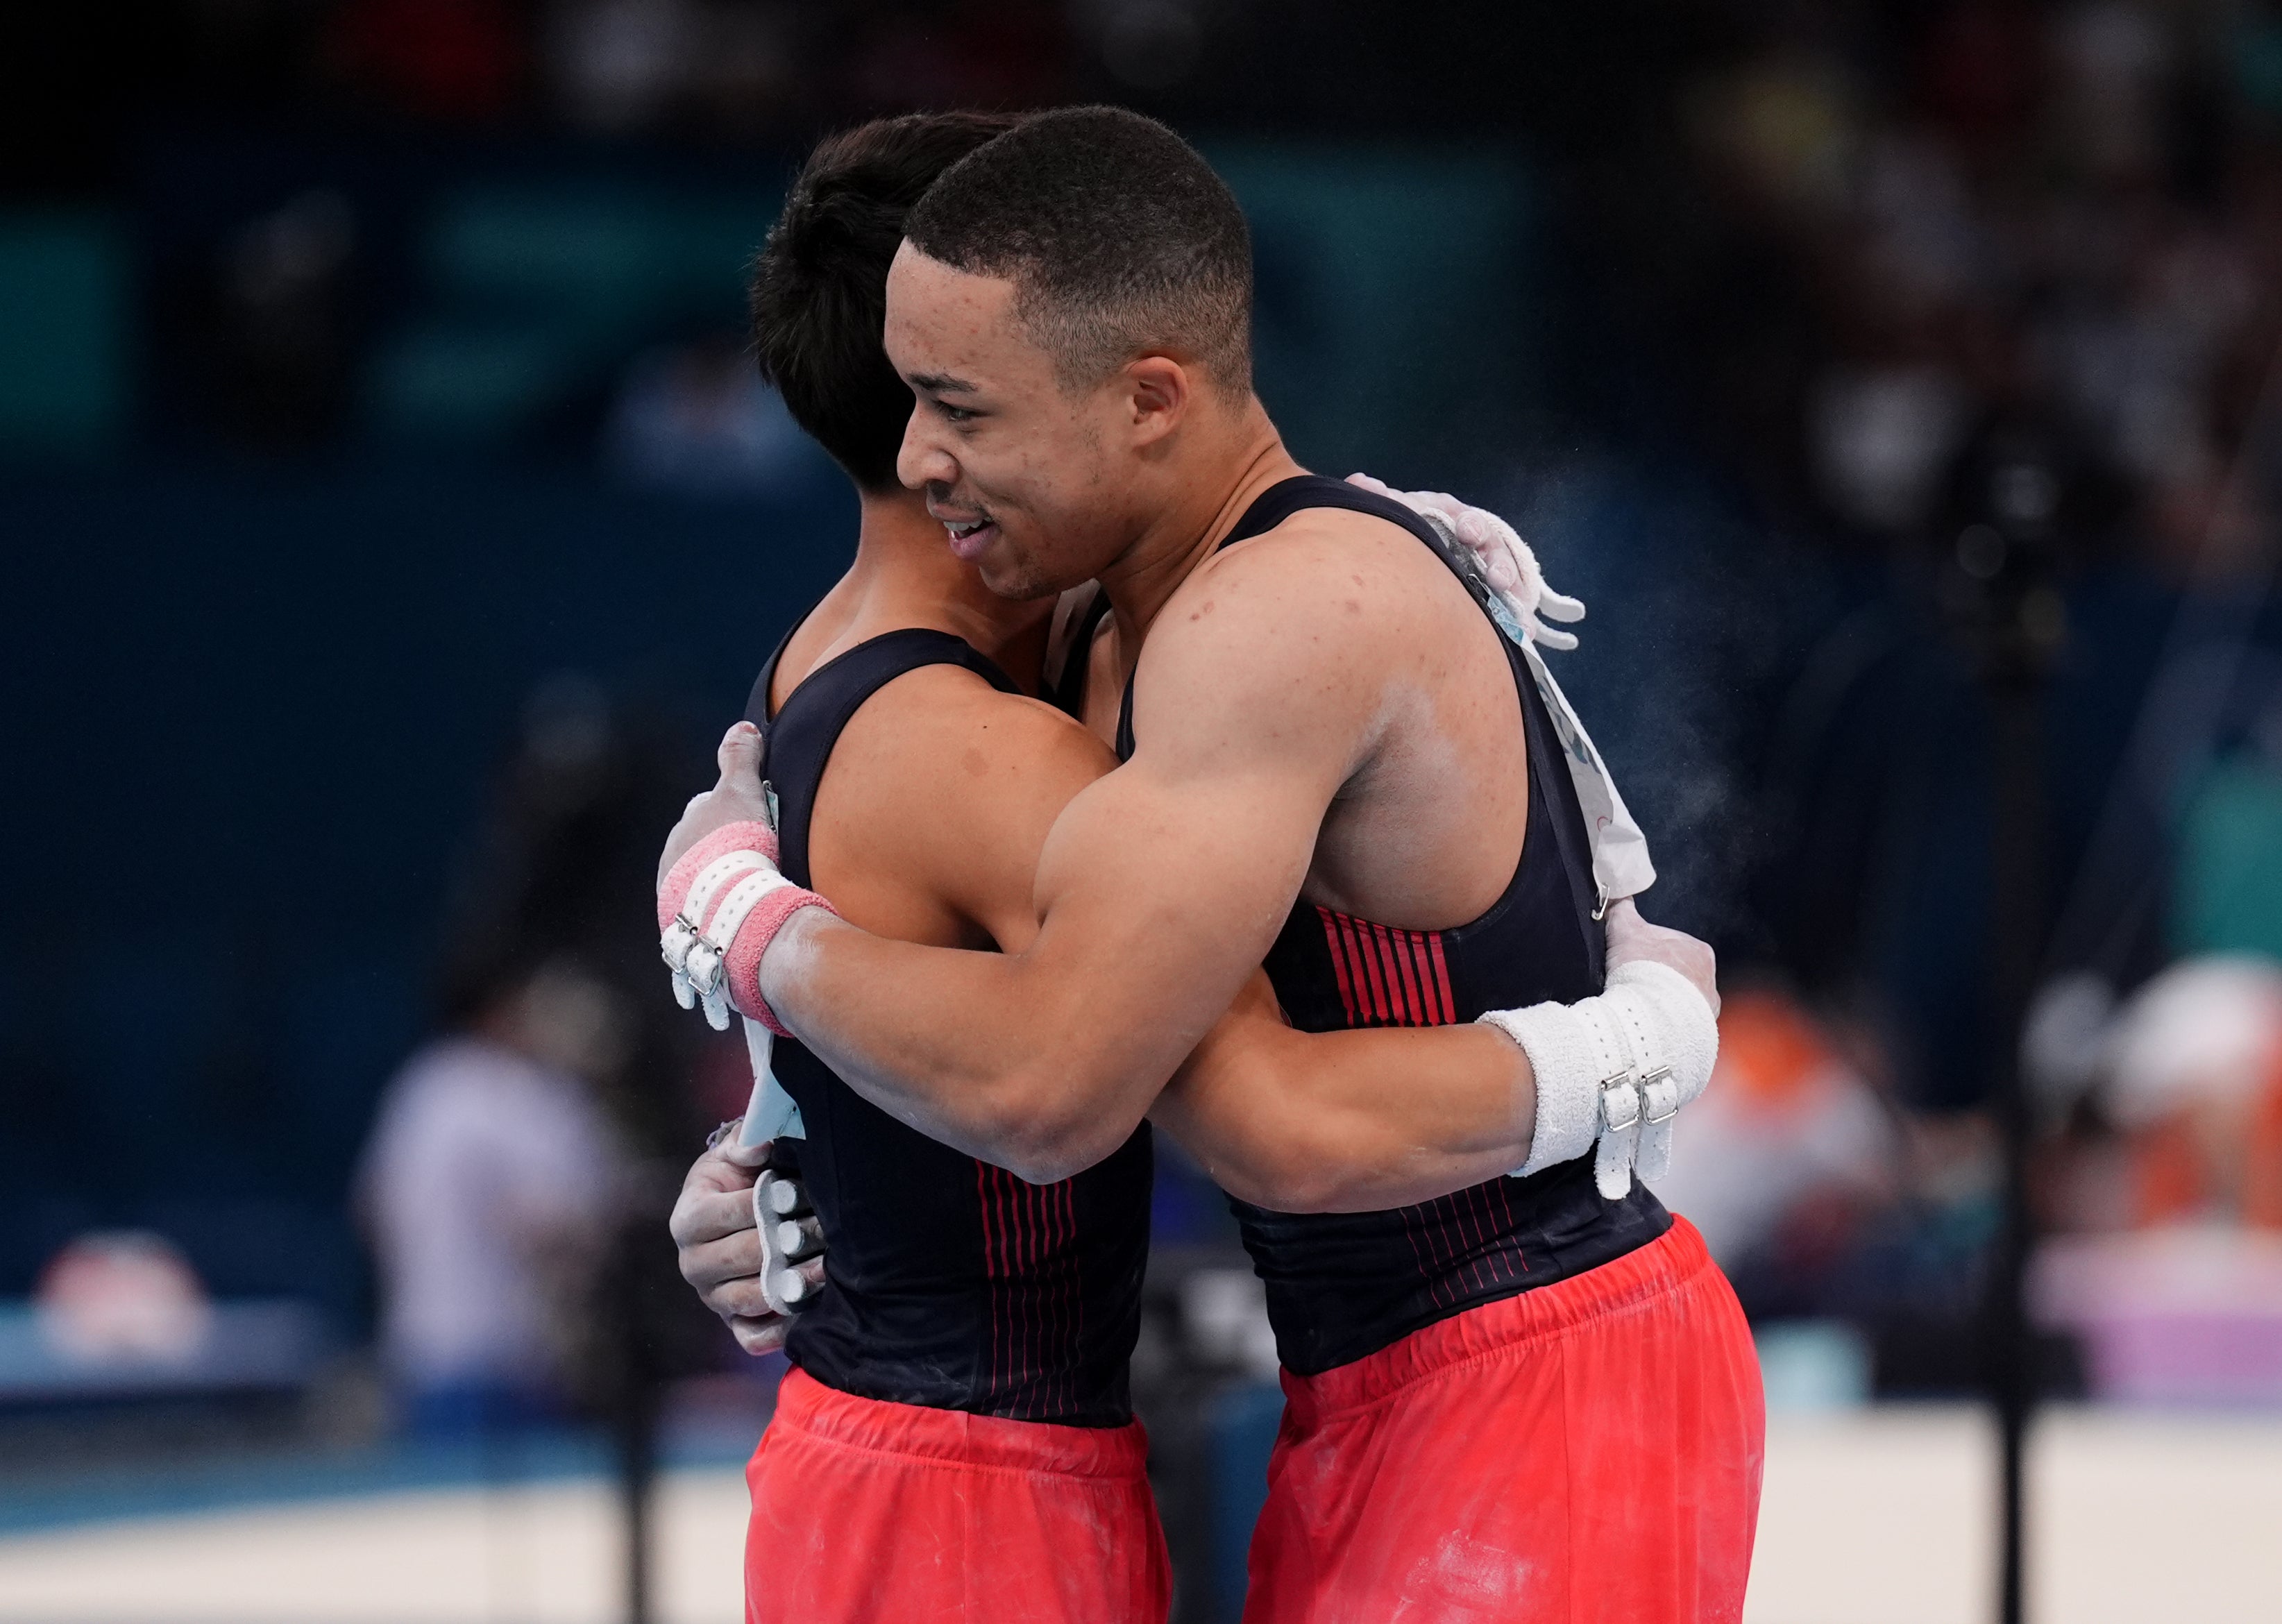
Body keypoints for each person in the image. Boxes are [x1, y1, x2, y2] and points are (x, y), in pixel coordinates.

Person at [662, 107, 1759, 1621]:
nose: (921, 460)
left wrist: (740, 921)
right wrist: (788, 1135)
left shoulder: (1274, 618)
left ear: (1147, 396)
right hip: (1363, 1382)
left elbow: (1135, 1098)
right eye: (907, 401)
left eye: (960, 407)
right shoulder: (1114, 623)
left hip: (1539, 1360)